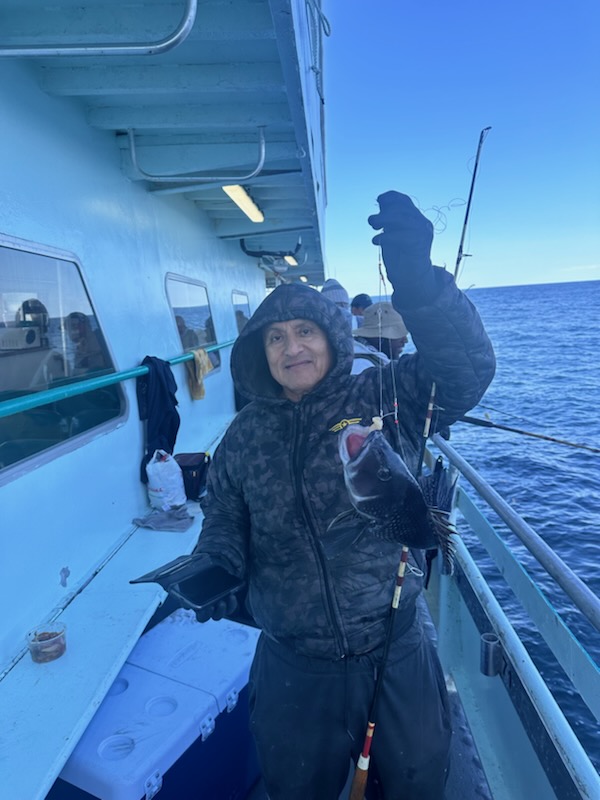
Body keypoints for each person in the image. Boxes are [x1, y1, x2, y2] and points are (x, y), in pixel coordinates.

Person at [190, 191, 496, 799]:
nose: (291, 347)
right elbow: (223, 510)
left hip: (395, 645)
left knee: (418, 783)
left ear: (332, 335)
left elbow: (466, 370)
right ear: (260, 352)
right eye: (275, 338)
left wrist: (417, 282)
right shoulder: (245, 433)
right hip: (293, 664)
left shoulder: (384, 396)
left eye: (305, 331)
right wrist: (216, 565)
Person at [352, 301, 409, 373]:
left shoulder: (373, 360)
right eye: (398, 335)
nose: (405, 340)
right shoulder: (361, 366)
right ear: (378, 338)